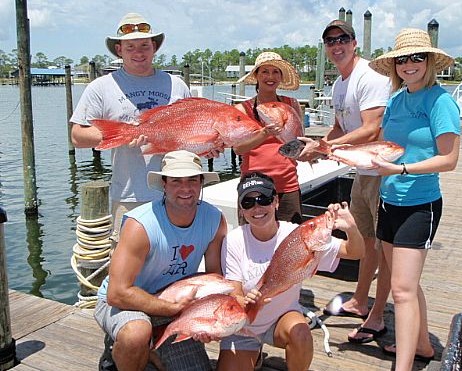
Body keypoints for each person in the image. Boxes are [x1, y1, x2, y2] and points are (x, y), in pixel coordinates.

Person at [70, 12, 219, 248]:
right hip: (130, 195)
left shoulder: (176, 84)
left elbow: (184, 138)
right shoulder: (101, 87)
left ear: (154, 48)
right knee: (128, 266)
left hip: (179, 193)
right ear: (119, 49)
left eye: (144, 45)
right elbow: (77, 136)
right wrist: (123, 136)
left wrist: (205, 148)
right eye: (130, 47)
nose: (138, 52)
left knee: (175, 259)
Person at [368, 28, 460, 369]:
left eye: (416, 57)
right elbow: (379, 143)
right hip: (388, 200)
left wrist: (402, 169)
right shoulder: (395, 99)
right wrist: (334, 150)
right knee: (402, 283)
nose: (409, 64)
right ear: (395, 65)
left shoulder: (440, 101)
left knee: (402, 291)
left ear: (429, 61)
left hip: (420, 204)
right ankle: (422, 346)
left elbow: (449, 159)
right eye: (402, 59)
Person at [298, 19, 392, 343]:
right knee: (366, 241)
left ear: (354, 43)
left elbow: (372, 129)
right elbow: (339, 128)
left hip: (383, 173)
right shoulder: (340, 85)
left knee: (387, 247)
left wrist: (329, 147)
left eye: (342, 38)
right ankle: (360, 299)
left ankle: (377, 315)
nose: (336, 45)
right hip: (360, 173)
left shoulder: (371, 76)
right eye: (330, 40)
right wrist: (317, 146)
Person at [93, 150, 228, 371]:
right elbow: (116, 293)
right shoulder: (141, 225)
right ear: (164, 184)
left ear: (201, 182)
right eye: (176, 181)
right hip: (124, 303)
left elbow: (214, 278)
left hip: (175, 304)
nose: (185, 188)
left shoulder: (214, 219)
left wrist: (206, 320)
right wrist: (170, 308)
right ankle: (122, 349)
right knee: (136, 333)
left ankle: (150, 350)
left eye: (192, 180)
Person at [216, 172, 365, 371]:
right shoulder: (234, 239)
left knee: (301, 333)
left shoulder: (300, 235)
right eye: (248, 202)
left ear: (276, 202)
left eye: (264, 199)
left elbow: (355, 252)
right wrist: (246, 301)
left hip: (281, 318)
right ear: (241, 210)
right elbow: (234, 291)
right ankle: (254, 351)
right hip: (244, 326)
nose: (257, 207)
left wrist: (351, 228)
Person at [233, 52, 304, 224]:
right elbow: (238, 148)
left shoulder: (292, 104)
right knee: (252, 240)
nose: (270, 77)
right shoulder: (243, 109)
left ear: (281, 77)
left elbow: (300, 140)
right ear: (256, 75)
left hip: (287, 184)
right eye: (265, 71)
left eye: (276, 72)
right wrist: (264, 133)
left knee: (290, 239)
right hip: (253, 185)